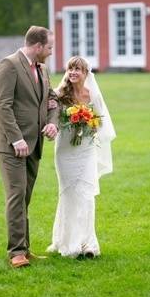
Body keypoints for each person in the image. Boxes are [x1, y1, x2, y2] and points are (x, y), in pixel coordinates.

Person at [0, 26, 59, 269]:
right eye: (49, 47)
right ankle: (16, 252)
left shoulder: (43, 69)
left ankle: (25, 249)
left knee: (24, 197)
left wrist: (52, 124)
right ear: (38, 46)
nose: (51, 51)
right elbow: (2, 106)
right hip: (10, 144)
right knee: (16, 196)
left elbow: (52, 100)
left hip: (34, 143)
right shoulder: (8, 65)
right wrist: (16, 138)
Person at [46, 56, 116, 259]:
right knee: (69, 194)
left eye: (78, 69)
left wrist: (87, 122)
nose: (73, 72)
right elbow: (53, 119)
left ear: (86, 73)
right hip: (66, 150)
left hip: (85, 150)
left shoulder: (91, 94)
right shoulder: (60, 94)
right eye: (70, 69)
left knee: (86, 194)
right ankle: (67, 242)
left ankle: (88, 244)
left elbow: (100, 122)